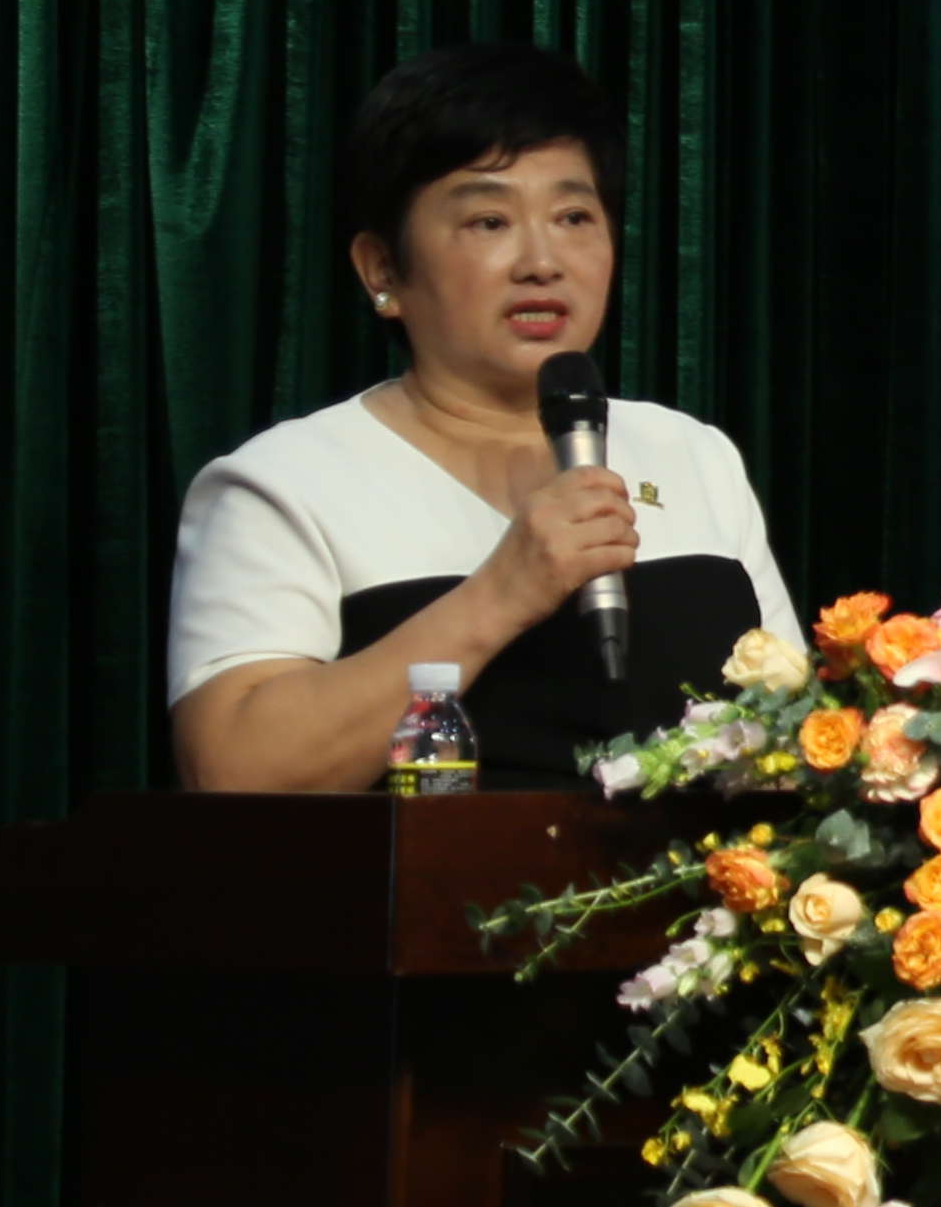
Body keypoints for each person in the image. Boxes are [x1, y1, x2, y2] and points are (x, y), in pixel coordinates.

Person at [167, 43, 799, 791]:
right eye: (490, 221)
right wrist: (503, 592)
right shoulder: (286, 485)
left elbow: (799, 740)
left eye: (573, 216)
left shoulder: (691, 453)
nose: (542, 261)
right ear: (382, 269)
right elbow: (234, 771)